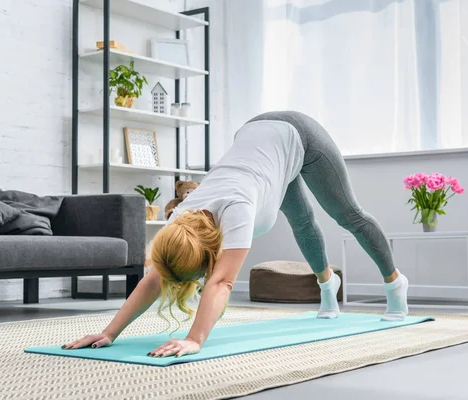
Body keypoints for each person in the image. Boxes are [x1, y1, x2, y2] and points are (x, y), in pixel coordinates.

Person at [64, 111, 410, 358]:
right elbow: (153, 279)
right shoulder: (181, 218)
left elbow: (221, 283)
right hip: (255, 139)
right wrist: (110, 332)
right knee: (302, 222)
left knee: (347, 215)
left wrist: (195, 339)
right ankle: (326, 285)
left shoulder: (238, 211)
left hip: (298, 133)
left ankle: (395, 285)